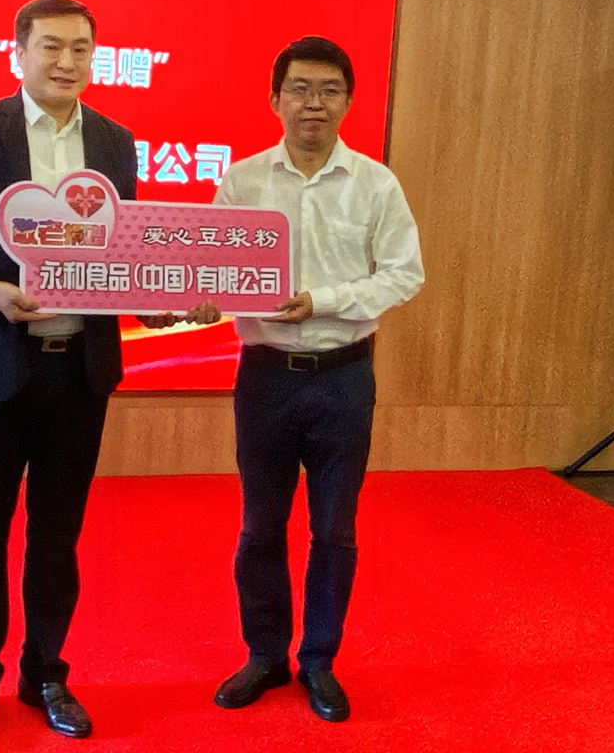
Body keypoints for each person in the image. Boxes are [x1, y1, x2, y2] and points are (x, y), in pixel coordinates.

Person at [0, 0, 215, 750]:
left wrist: (165, 303)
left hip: (79, 372)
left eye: (81, 49)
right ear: (19, 53)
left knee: (59, 533)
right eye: (51, 47)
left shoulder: (115, 142)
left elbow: (120, 258)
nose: (67, 62)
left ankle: (45, 674)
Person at [209, 36, 425, 722]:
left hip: (343, 377)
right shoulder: (243, 181)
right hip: (266, 377)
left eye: (329, 90)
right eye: (300, 89)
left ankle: (320, 661)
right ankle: (265, 655)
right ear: (275, 99)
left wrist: (323, 301)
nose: (314, 103)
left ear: (349, 101)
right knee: (260, 526)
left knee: (335, 527)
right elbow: (213, 269)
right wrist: (191, 296)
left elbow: (404, 274)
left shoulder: (376, 183)